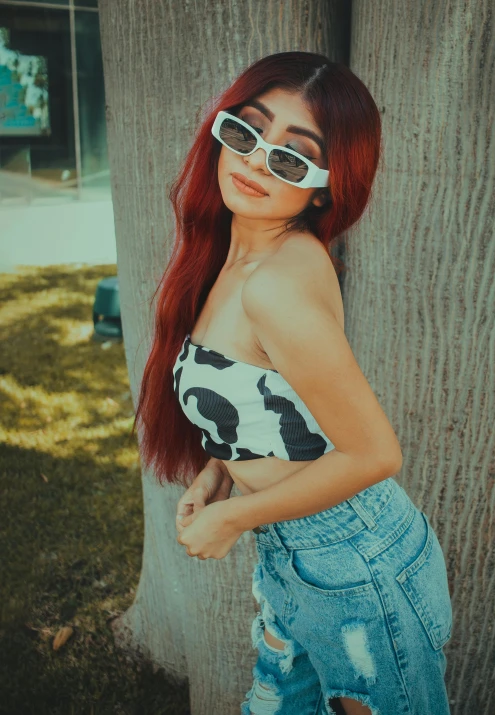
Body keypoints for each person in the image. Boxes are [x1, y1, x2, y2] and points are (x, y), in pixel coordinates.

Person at [134, 50, 452, 715]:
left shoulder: (278, 283)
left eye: (290, 156)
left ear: (322, 187)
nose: (254, 159)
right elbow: (271, 403)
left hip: (357, 564)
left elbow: (375, 453)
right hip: (297, 555)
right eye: (246, 131)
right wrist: (219, 473)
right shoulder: (241, 255)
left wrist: (235, 517)